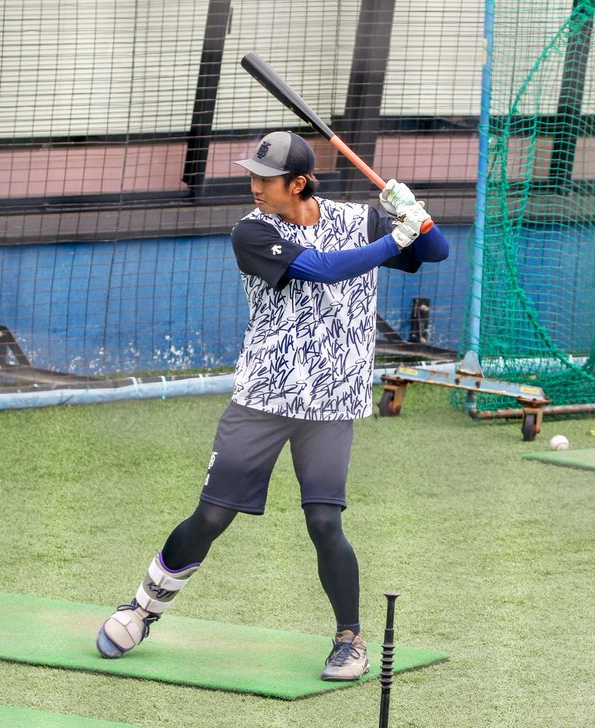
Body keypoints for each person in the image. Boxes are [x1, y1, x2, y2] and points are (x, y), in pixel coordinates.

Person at [96, 130, 449, 680]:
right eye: (253, 176)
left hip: (333, 399)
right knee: (212, 514)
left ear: (299, 183)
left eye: (266, 178)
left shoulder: (359, 219)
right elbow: (323, 269)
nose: (255, 186)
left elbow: (436, 252)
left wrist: (417, 217)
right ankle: (142, 610)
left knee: (325, 522)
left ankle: (350, 640)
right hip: (265, 394)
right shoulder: (253, 231)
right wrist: (395, 239)